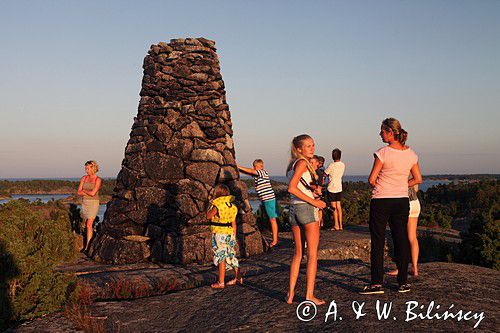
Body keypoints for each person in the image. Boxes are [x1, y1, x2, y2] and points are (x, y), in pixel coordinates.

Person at [360, 118, 422, 295]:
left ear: (390, 132)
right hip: (401, 200)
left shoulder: (383, 153)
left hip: (381, 200)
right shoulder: (411, 154)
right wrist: (401, 184)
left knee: (378, 241)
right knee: (401, 239)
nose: (380, 133)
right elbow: (418, 179)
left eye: (382, 131)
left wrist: (383, 185)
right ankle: (402, 282)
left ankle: (376, 284)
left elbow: (372, 179)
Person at [286, 134, 327, 305]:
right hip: (306, 209)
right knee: (312, 254)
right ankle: (309, 295)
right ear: (299, 149)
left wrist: (313, 192)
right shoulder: (303, 163)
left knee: (297, 254)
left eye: (313, 145)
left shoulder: (292, 165)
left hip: (294, 209)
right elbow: (292, 188)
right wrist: (314, 201)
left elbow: (298, 186)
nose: (312, 148)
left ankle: (290, 294)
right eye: (308, 146)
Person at [206, 184, 242, 289]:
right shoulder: (232, 206)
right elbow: (233, 223)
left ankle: (221, 282)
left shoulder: (217, 206)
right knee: (231, 255)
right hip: (230, 233)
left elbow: (208, 216)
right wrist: (234, 236)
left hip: (219, 234)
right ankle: (238, 277)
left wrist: (210, 205)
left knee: (221, 257)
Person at [237, 160, 279, 247]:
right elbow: (249, 172)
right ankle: (274, 237)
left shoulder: (262, 173)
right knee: (270, 219)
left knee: (272, 219)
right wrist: (237, 168)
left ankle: (275, 240)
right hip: (266, 200)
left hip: (269, 199)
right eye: (254, 167)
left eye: (255, 167)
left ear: (261, 167)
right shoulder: (258, 175)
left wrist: (239, 166)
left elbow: (251, 171)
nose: (254, 169)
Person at [387, 183, 421, 277]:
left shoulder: (399, 169)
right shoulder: (412, 168)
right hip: (415, 202)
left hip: (405, 202)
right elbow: (416, 189)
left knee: (401, 237)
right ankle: (415, 268)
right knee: (413, 237)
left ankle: (400, 268)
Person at [77, 160, 102, 252]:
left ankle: (87, 246)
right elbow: (78, 192)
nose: (86, 170)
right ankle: (89, 242)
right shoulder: (84, 178)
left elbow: (93, 193)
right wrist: (85, 193)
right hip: (85, 203)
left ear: (93, 168)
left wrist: (84, 191)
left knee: (89, 224)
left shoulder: (97, 179)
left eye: (87, 168)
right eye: (85, 168)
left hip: (93, 203)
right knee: (85, 223)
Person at [325, 149, 345, 230]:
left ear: (332, 156)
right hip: (339, 187)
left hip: (332, 188)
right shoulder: (342, 164)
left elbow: (325, 173)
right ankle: (341, 225)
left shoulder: (332, 165)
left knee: (334, 208)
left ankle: (336, 225)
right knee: (339, 207)